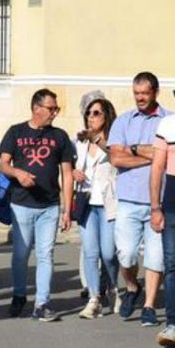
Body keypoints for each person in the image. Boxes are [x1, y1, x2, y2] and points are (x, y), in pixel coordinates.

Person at [0, 87, 75, 321]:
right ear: (35, 108)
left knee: (45, 254)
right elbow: (3, 163)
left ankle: (42, 303)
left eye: (56, 109)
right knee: (21, 254)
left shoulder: (60, 136)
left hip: (49, 206)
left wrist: (67, 210)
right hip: (21, 204)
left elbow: (67, 174)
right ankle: (19, 294)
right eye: (51, 108)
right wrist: (17, 173)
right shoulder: (15, 132)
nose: (54, 113)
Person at [109, 71, 169, 326]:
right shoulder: (123, 121)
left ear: (156, 92)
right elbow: (115, 158)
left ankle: (149, 306)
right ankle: (133, 287)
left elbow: (168, 158)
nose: (140, 98)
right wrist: (149, 153)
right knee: (127, 254)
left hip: (161, 201)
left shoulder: (169, 121)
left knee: (156, 258)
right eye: (136, 93)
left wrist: (132, 149)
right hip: (129, 199)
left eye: (145, 93)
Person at [77, 95, 119, 319]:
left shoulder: (114, 139)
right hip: (86, 202)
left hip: (108, 203)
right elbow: (73, 168)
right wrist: (75, 172)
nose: (90, 117)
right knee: (91, 253)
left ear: (106, 115)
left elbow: (117, 158)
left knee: (109, 253)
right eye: (88, 113)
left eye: (96, 113)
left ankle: (113, 286)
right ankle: (94, 298)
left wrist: (97, 140)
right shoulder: (81, 142)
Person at [150, 113, 175, 345]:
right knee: (172, 265)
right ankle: (173, 324)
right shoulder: (167, 124)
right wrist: (155, 207)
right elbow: (157, 167)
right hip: (172, 204)